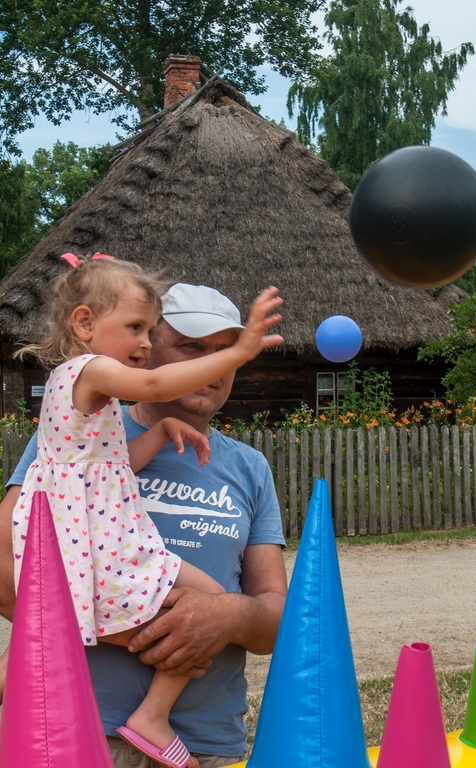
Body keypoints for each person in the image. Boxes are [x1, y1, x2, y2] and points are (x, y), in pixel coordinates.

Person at [5, 254, 284, 768]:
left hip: (207, 741)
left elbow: (275, 618)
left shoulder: (249, 468)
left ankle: (151, 716)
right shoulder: (72, 423)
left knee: (216, 598)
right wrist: (119, 629)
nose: (213, 366)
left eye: (224, 352)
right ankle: (143, 715)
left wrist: (226, 617)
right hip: (78, 734)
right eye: (192, 347)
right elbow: (6, 565)